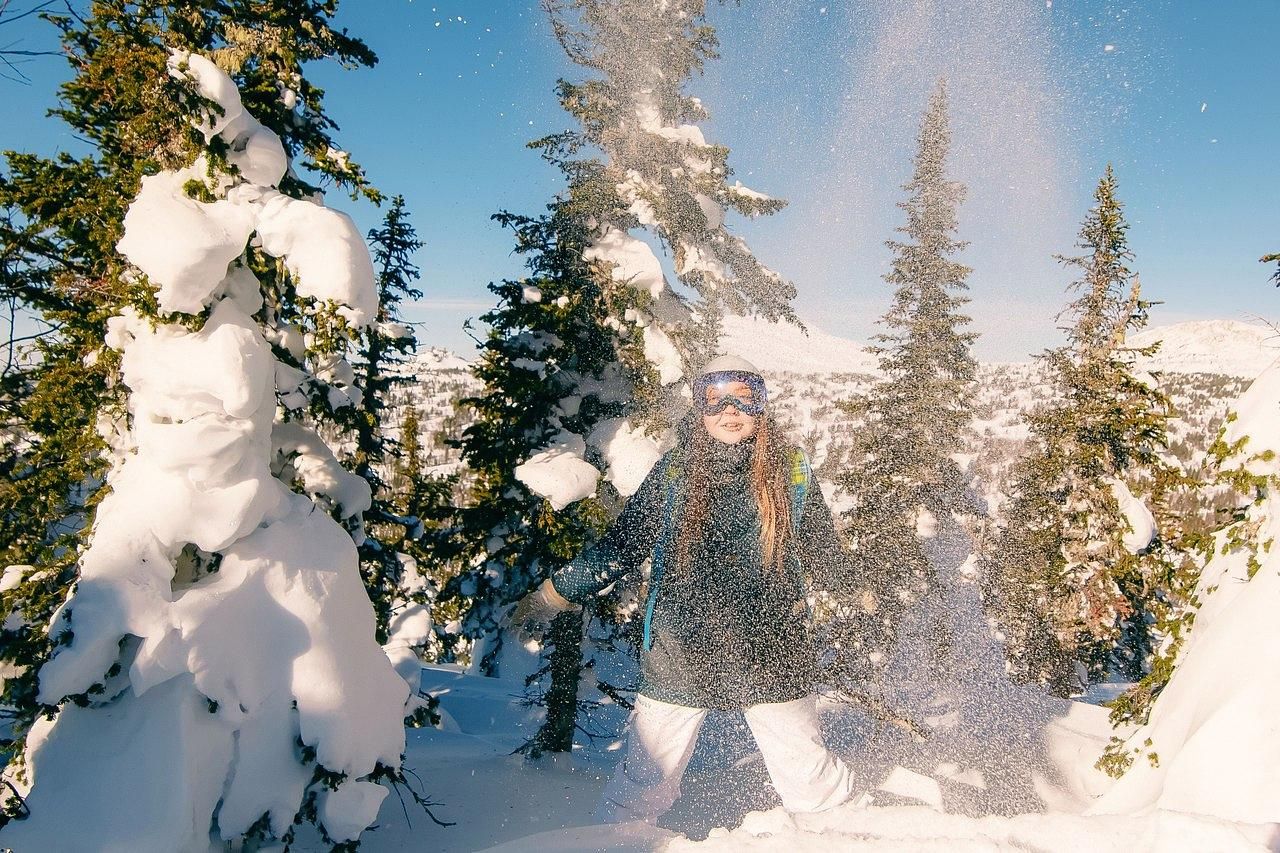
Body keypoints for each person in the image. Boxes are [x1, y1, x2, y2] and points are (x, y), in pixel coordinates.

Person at [512, 354, 865, 824]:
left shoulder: (790, 471)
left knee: (812, 782)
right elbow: (622, 546)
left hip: (772, 645)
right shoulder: (675, 473)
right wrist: (556, 593)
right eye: (714, 400)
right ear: (699, 411)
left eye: (744, 398)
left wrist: (860, 590)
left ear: (761, 408)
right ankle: (620, 842)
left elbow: (820, 547)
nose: (729, 411)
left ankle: (847, 837)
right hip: (683, 648)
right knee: (641, 785)